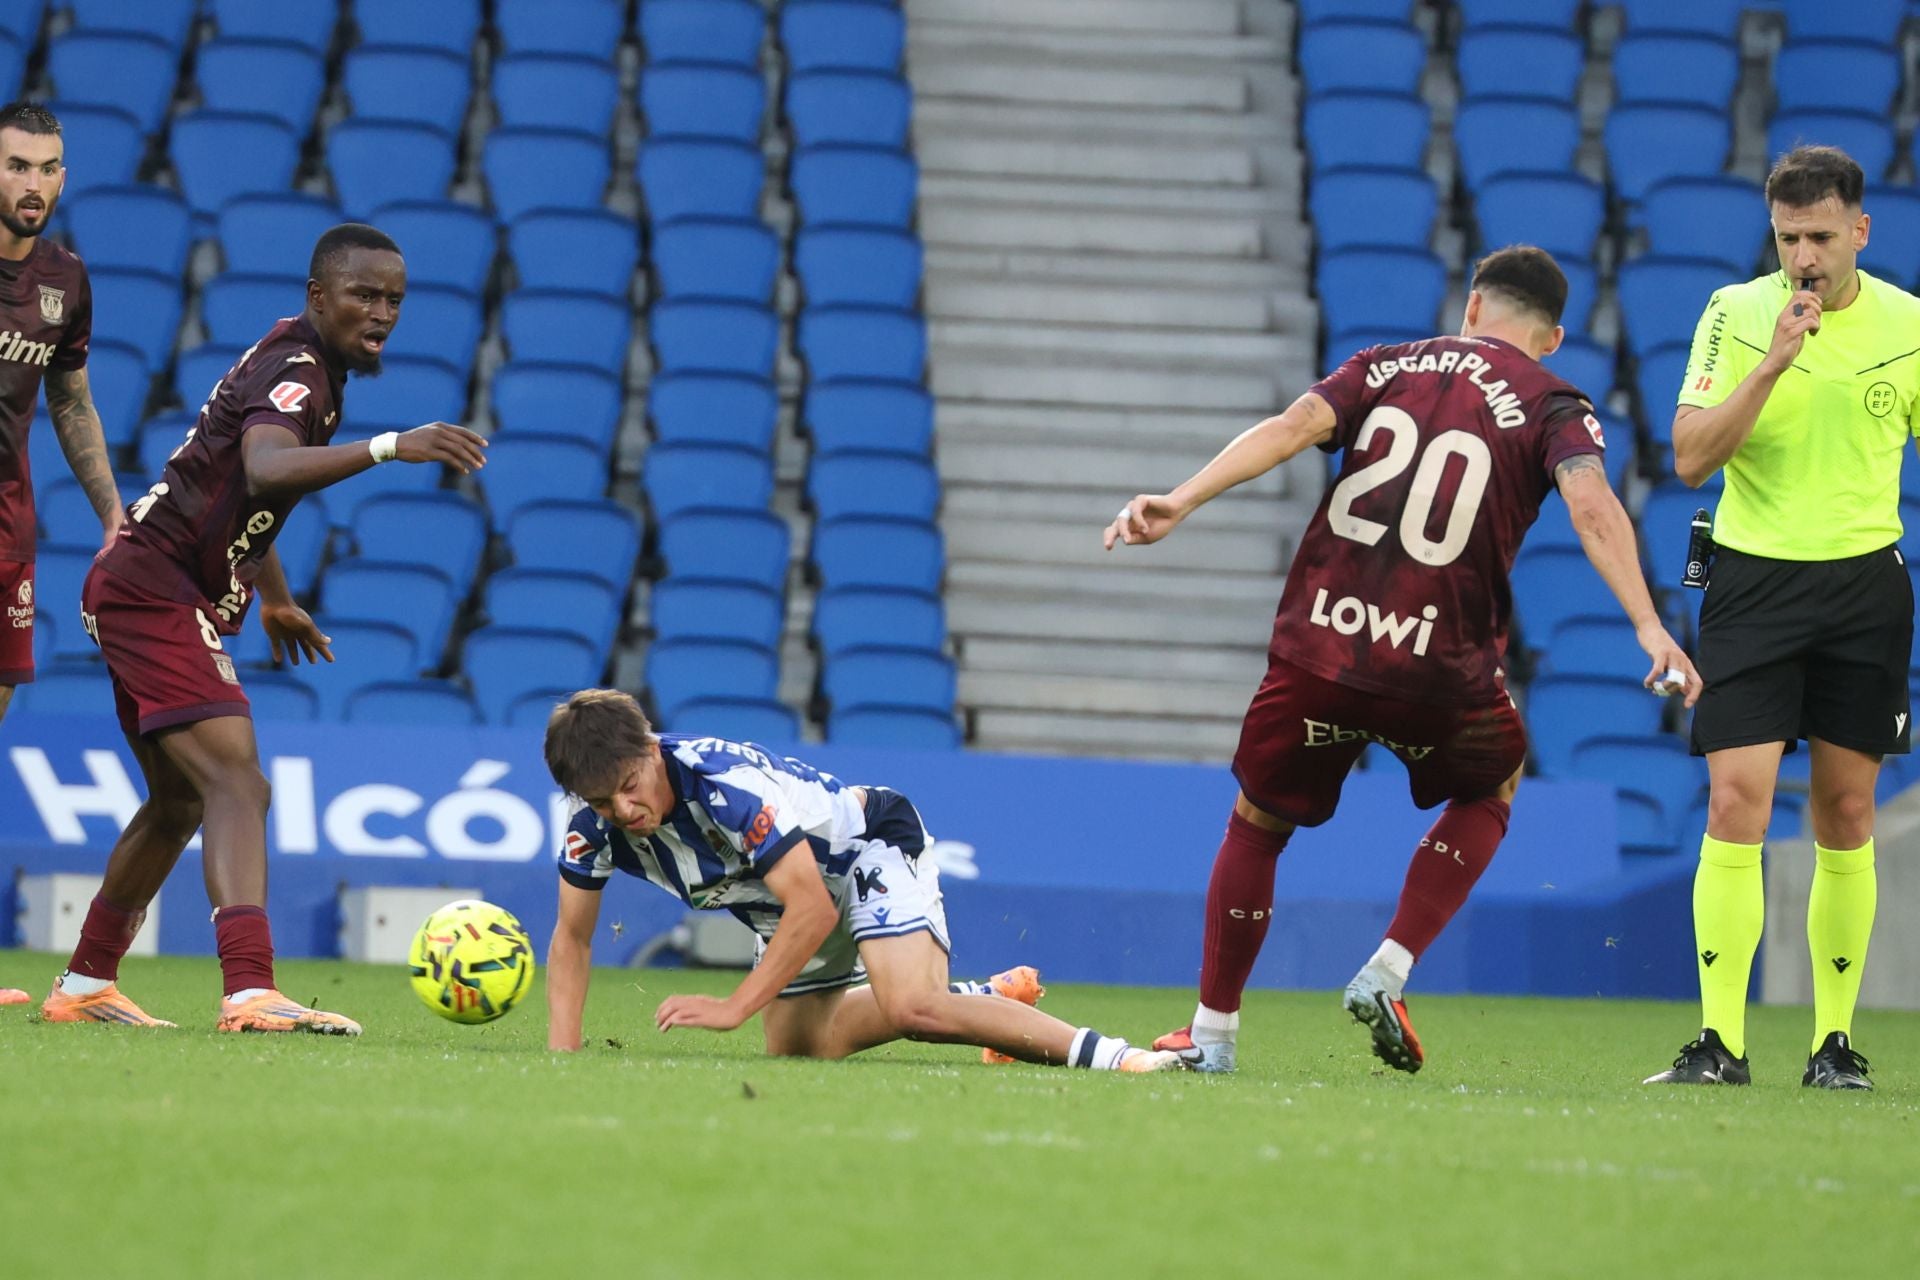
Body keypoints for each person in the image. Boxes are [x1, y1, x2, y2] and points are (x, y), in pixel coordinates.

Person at [1105, 245, 1701, 1075]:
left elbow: (1291, 430)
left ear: (1470, 308)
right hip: (1438, 669)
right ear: (1553, 337)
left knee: (1259, 824)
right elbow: (1591, 502)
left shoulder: (1383, 364)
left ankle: (1210, 1036)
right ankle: (1389, 965)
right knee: (1494, 783)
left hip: (1321, 644)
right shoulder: (1555, 402)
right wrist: (1647, 623)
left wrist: (1181, 499)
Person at [37, 223, 488, 1031]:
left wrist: (272, 595)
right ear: (318, 296)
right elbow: (267, 469)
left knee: (180, 802)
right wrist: (393, 446)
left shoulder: (309, 364)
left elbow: (253, 501)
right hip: (152, 590)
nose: (381, 312)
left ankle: (83, 986)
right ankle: (250, 992)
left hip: (142, 585)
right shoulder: (298, 370)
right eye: (363, 295)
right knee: (239, 783)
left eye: (393, 299)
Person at [1644, 146, 1920, 1092]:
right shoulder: (1736, 312)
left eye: (1821, 237)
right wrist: (1773, 364)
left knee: (1848, 812)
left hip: (1862, 587)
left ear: (1860, 232)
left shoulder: (1909, 324)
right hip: (1754, 583)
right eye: (1788, 237)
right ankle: (1720, 1044)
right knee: (1735, 804)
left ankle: (1833, 1046)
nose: (1804, 256)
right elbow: (1688, 456)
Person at [542, 688, 1191, 1072]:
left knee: (914, 1006)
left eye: (629, 788)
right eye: (602, 802)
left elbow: (815, 908)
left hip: (863, 851)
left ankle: (1118, 1058)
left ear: (652, 752)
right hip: (785, 907)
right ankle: (986, 998)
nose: (623, 811)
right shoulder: (591, 823)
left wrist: (735, 1005)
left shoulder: (725, 788)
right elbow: (572, 939)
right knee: (801, 1051)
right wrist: (564, 1059)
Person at [0, 102, 125, 727]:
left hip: (8, 521)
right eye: (17, 166)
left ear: (63, 179)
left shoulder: (66, 278)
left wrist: (111, 515)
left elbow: (72, 401)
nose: (32, 185)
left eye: (46, 170)